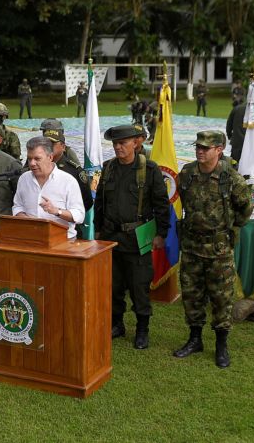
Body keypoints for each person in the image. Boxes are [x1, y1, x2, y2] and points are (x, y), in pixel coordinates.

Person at [172, 131, 252, 368]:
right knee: (191, 294)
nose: (199, 151)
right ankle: (195, 339)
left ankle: (221, 345)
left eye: (205, 148)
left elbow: (245, 210)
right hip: (191, 246)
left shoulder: (232, 179)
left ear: (219, 149)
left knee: (221, 298)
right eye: (198, 146)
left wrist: (227, 231)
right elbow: (182, 200)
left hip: (219, 250)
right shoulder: (187, 174)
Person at [94, 124, 171, 349]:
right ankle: (117, 324)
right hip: (110, 237)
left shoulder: (149, 169)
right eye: (115, 144)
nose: (118, 147)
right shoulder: (108, 168)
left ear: (135, 144)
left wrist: (161, 233)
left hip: (138, 239)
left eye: (123, 143)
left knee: (139, 287)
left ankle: (142, 329)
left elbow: (161, 204)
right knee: (114, 286)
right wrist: (98, 230)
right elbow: (100, 203)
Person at [12, 136, 85, 239]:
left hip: (62, 241)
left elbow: (79, 215)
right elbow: (17, 206)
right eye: (29, 159)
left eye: (37, 159)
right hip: (30, 238)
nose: (32, 163)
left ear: (50, 157)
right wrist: (26, 219)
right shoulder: (24, 179)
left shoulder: (68, 181)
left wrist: (56, 211)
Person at [42, 126, 93, 215]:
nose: (48, 147)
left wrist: (68, 215)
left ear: (63, 147)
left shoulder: (74, 170)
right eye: (44, 144)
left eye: (52, 144)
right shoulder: (35, 166)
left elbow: (86, 201)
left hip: (65, 221)